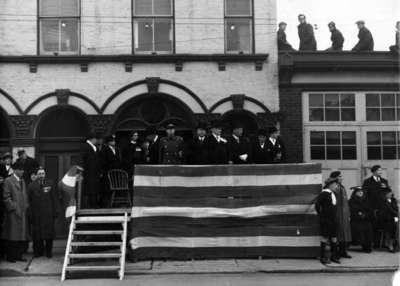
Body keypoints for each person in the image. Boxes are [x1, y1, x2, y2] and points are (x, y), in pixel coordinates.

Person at [2, 162, 30, 262]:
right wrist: (14, 207)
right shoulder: (8, 181)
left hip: (22, 213)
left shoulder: (23, 181)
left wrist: (25, 206)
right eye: (21, 170)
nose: (23, 171)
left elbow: (25, 196)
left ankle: (19, 256)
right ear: (15, 170)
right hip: (13, 214)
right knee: (12, 236)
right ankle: (11, 257)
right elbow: (6, 197)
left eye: (23, 170)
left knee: (20, 237)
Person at [28, 167, 59, 258]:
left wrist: (55, 211)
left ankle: (49, 252)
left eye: (43, 173)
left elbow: (54, 198)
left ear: (45, 174)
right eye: (40, 173)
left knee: (49, 235)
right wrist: (30, 213)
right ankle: (38, 252)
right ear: (36, 175)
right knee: (37, 235)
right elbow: (29, 201)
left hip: (48, 214)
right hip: (36, 214)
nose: (41, 175)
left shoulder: (50, 183)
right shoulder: (31, 185)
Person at [362, 165, 390, 247]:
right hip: (372, 207)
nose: (380, 172)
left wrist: (386, 188)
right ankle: (373, 243)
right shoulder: (367, 181)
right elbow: (365, 194)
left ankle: (382, 243)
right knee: (373, 225)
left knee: (382, 224)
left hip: (383, 207)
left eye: (381, 170)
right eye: (379, 170)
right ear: (373, 172)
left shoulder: (384, 181)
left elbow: (388, 193)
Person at [315, 177, 341, 264]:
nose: (336, 186)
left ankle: (334, 257)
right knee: (324, 238)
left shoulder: (333, 193)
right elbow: (317, 205)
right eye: (335, 184)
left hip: (334, 220)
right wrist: (322, 216)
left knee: (334, 238)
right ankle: (323, 258)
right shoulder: (324, 193)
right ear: (330, 185)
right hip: (326, 220)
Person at [329, 171, 352, 258]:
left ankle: (343, 251)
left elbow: (345, 202)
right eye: (339, 176)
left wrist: (348, 214)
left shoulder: (342, 187)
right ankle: (336, 252)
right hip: (338, 214)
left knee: (345, 234)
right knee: (338, 234)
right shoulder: (334, 188)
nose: (341, 178)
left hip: (344, 214)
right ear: (335, 178)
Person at [349, 186, 373, 253]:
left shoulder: (367, 200)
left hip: (366, 218)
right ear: (355, 193)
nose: (360, 192)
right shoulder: (351, 201)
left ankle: (367, 247)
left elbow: (370, 210)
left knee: (368, 228)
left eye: (361, 191)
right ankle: (360, 243)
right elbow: (352, 210)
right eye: (358, 191)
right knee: (358, 227)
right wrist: (359, 214)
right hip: (356, 219)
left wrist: (364, 214)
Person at [99, 134, 121, 207]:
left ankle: (114, 203)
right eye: (112, 141)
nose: (113, 142)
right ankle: (105, 203)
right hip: (107, 171)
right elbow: (104, 160)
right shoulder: (104, 149)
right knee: (107, 188)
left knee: (114, 187)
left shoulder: (116, 149)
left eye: (114, 140)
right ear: (108, 142)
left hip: (115, 171)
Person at [80, 132, 101, 208]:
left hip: (95, 172)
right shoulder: (85, 146)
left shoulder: (95, 147)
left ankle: (95, 203)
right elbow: (82, 158)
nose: (96, 140)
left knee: (95, 188)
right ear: (92, 139)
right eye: (95, 139)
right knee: (90, 188)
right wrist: (82, 170)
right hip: (88, 171)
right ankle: (91, 204)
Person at [377, 188, 399, 252]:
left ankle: (395, 241)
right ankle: (390, 244)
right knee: (390, 225)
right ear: (385, 194)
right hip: (384, 220)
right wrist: (394, 217)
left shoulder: (393, 200)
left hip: (393, 218)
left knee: (396, 225)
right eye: (389, 193)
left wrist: (395, 217)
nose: (390, 194)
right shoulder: (382, 202)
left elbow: (396, 209)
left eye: (391, 193)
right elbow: (382, 213)